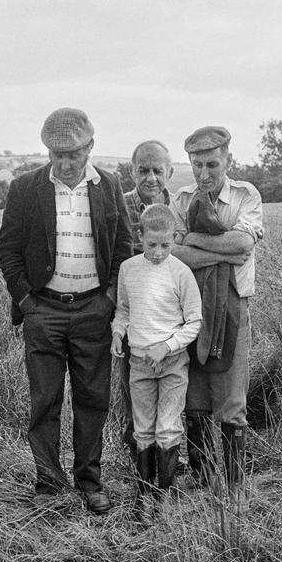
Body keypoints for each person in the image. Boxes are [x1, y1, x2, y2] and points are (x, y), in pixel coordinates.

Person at [0, 108, 132, 513]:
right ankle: (49, 484)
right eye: (56, 154)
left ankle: (90, 481)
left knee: (93, 399)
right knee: (45, 399)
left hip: (94, 309)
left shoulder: (108, 185)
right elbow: (8, 250)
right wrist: (26, 301)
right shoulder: (25, 188)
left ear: (90, 147)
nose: (64, 163)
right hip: (44, 311)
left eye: (73, 154)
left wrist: (109, 296)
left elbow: (123, 245)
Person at [172, 126, 262, 510]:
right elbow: (175, 257)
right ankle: (204, 479)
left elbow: (243, 244)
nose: (204, 173)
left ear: (228, 159)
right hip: (188, 307)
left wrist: (193, 241)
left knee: (231, 395)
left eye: (212, 164)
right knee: (194, 394)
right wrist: (217, 251)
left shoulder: (246, 195)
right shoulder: (182, 199)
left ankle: (235, 489)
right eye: (197, 164)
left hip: (233, 305)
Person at [111, 203, 202, 523]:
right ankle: (144, 495)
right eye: (152, 245)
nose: (159, 252)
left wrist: (168, 346)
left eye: (166, 244)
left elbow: (194, 321)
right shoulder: (129, 269)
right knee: (143, 430)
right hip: (139, 363)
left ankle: (164, 496)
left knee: (167, 428)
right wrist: (117, 332)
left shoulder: (181, 273)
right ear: (140, 236)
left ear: (175, 237)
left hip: (173, 362)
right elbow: (123, 309)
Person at [118, 140, 176, 460]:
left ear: (169, 171)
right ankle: (139, 448)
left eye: (158, 170)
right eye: (143, 170)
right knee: (134, 381)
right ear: (131, 171)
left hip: (170, 310)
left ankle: (167, 448)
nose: (151, 178)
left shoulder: (178, 206)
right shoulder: (120, 205)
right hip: (134, 309)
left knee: (170, 378)